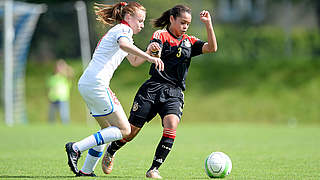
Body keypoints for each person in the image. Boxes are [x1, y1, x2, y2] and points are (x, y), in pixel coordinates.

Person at [103, 4, 218, 179]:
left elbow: (212, 48)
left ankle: (154, 169)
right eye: (182, 22)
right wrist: (155, 52)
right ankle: (111, 151)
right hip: (152, 88)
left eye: (188, 23)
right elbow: (155, 46)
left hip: (174, 93)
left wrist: (208, 24)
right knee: (131, 131)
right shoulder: (161, 35)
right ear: (172, 19)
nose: (185, 27)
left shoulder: (190, 41)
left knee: (172, 124)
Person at [65, 1, 164, 177]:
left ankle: (86, 171)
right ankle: (76, 148)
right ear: (128, 17)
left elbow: (133, 62)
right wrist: (149, 58)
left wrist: (148, 52)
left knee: (107, 132)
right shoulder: (123, 30)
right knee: (124, 130)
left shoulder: (123, 33)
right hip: (97, 84)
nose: (141, 25)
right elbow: (124, 45)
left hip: (88, 83)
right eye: (140, 20)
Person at [47, 59, 74, 124]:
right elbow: (49, 89)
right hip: (52, 99)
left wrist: (66, 66)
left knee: (64, 116)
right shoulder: (52, 77)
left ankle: (66, 129)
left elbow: (71, 73)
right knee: (51, 117)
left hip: (63, 99)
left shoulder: (65, 77)